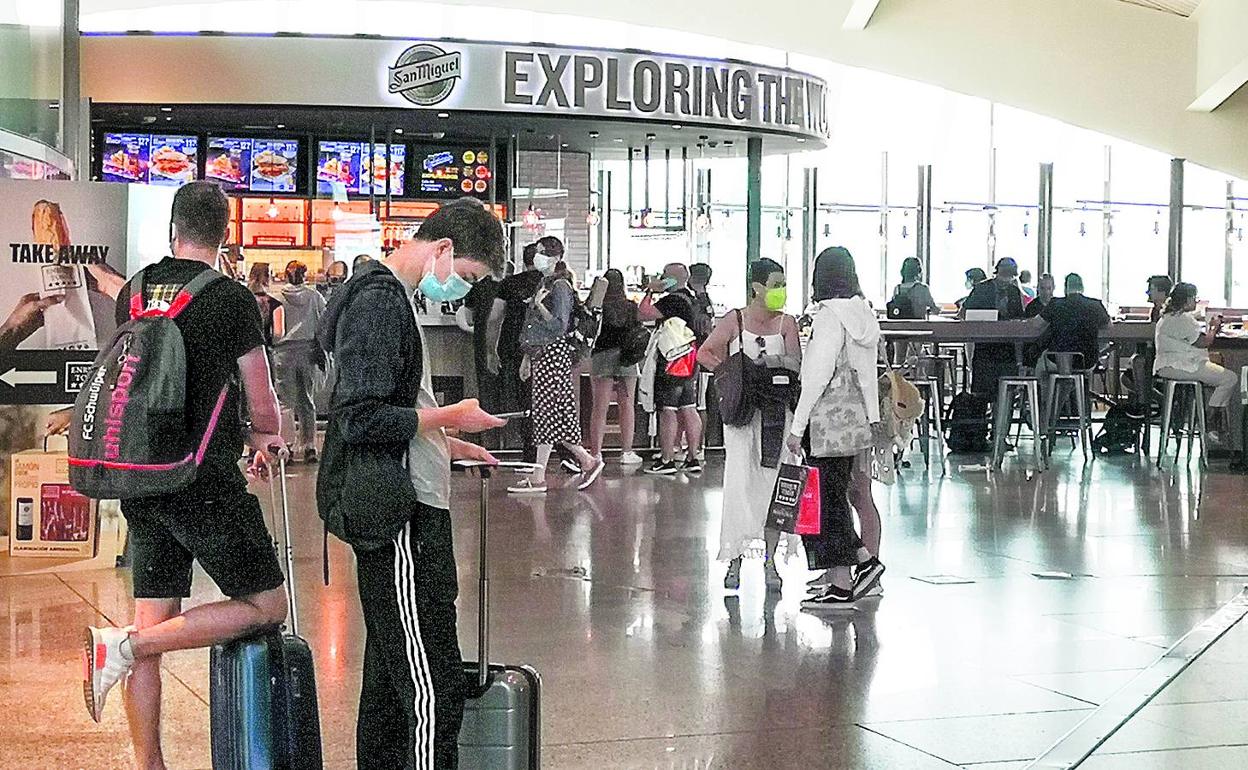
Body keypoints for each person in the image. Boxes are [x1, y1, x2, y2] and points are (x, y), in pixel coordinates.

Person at [81, 182, 290, 769]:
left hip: (142, 477)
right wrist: (266, 436)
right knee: (265, 604)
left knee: (154, 620)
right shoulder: (230, 298)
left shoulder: (137, 290)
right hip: (203, 483)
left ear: (172, 230)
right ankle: (121, 644)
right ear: (225, 236)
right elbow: (263, 401)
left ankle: (150, 763)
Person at [318, 197, 508, 769]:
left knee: (389, 678)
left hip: (408, 500)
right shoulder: (379, 304)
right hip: (402, 517)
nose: (464, 290)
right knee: (431, 689)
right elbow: (359, 417)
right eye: (468, 276)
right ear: (443, 249)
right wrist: (450, 418)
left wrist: (445, 443)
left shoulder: (390, 298)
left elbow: (392, 413)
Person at [787, 246, 886, 608]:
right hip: (854, 423)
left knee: (826, 502)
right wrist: (873, 419)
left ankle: (844, 583)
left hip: (824, 422)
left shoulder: (829, 317)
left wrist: (797, 427)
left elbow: (815, 376)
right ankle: (859, 566)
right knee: (836, 495)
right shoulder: (863, 314)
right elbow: (867, 376)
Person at [697, 258, 801, 592]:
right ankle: (735, 559)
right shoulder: (735, 320)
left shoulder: (787, 323)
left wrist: (775, 364)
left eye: (783, 284)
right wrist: (730, 372)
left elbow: (797, 364)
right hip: (743, 417)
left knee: (776, 485)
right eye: (775, 284)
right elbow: (705, 353)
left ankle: (772, 561)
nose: (780, 291)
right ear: (756, 286)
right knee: (741, 484)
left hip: (777, 415)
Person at [507, 246, 605, 495]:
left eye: (543, 252)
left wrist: (540, 306)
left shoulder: (560, 287)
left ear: (556, 256)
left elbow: (558, 325)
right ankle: (583, 461)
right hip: (546, 355)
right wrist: (527, 357)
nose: (538, 257)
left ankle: (545, 475)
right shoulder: (548, 282)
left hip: (553, 354)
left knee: (546, 413)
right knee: (553, 414)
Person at [641, 263, 705, 475]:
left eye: (664, 275)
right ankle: (693, 456)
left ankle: (667, 459)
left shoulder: (673, 300)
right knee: (689, 406)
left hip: (671, 359)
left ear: (672, 279)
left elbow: (643, 314)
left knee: (667, 409)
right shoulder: (692, 298)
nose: (661, 278)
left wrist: (650, 290)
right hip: (690, 358)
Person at [1154, 282, 1237, 442]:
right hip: (1182, 365)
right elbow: (1204, 342)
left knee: (1220, 374)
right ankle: (1211, 421)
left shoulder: (1169, 317)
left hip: (1169, 365)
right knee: (1230, 378)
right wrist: (1214, 327)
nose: (1196, 301)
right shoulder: (1183, 319)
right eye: (1194, 298)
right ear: (1187, 299)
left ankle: (1210, 419)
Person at [273, 260, 327, 463]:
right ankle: (310, 446)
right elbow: (325, 319)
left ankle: (286, 446)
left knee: (285, 401)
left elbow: (273, 328)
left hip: (283, 353)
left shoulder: (277, 297)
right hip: (308, 351)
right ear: (304, 277)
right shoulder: (314, 296)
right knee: (307, 400)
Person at [1029, 273, 1111, 407]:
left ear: (1065, 288)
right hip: (1087, 361)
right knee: (1077, 373)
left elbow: (1036, 324)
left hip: (1057, 360)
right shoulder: (1095, 305)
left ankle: (1045, 407)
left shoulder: (1055, 304)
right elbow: (1109, 326)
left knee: (1041, 369)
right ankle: (1076, 410)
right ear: (1082, 288)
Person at [588, 268, 643, 465]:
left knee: (599, 408)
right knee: (627, 405)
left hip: (602, 357)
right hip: (627, 358)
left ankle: (596, 453)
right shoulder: (631, 306)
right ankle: (627, 451)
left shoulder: (598, 306)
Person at [961, 258, 1026, 395]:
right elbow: (965, 312)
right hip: (987, 345)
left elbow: (1019, 318)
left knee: (1002, 389)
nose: (1005, 282)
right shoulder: (983, 289)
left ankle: (997, 412)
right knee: (984, 389)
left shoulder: (1012, 291)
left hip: (1003, 347)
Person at [247, 262, 285, 350]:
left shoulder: (240, 299)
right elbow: (278, 333)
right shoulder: (275, 305)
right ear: (268, 278)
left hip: (243, 353)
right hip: (264, 350)